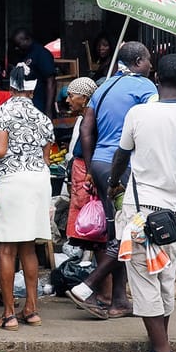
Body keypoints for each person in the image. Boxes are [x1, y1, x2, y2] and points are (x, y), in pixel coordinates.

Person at [105, 54, 176, 352]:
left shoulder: (138, 114)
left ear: (155, 81)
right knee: (166, 278)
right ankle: (158, 345)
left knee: (143, 280)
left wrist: (113, 183)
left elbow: (121, 158)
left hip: (139, 211)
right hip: (173, 213)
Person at [67, 41, 157, 319]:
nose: (151, 66)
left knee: (116, 232)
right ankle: (88, 285)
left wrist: (93, 169)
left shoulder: (102, 86)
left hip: (101, 165)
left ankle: (119, 300)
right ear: (139, 61)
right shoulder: (146, 88)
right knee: (130, 233)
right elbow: (150, 128)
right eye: (149, 61)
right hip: (125, 166)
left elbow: (86, 130)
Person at [0, 64, 55, 330]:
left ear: (11, 87)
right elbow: (46, 159)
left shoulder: (2, 112)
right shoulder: (43, 117)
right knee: (28, 247)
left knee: (6, 248)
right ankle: (32, 310)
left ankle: (9, 314)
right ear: (33, 88)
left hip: (13, 182)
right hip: (38, 182)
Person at [63, 77, 100, 247]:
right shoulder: (86, 118)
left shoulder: (90, 120)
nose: (67, 100)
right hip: (82, 171)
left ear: (84, 98)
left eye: (71, 96)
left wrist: (89, 172)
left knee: (89, 222)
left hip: (85, 172)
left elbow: (89, 145)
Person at [10, 28, 57, 117]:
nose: (17, 47)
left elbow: (51, 82)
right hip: (28, 104)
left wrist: (48, 110)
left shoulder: (42, 54)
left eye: (18, 44)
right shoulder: (25, 54)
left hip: (40, 104)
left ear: (27, 39)